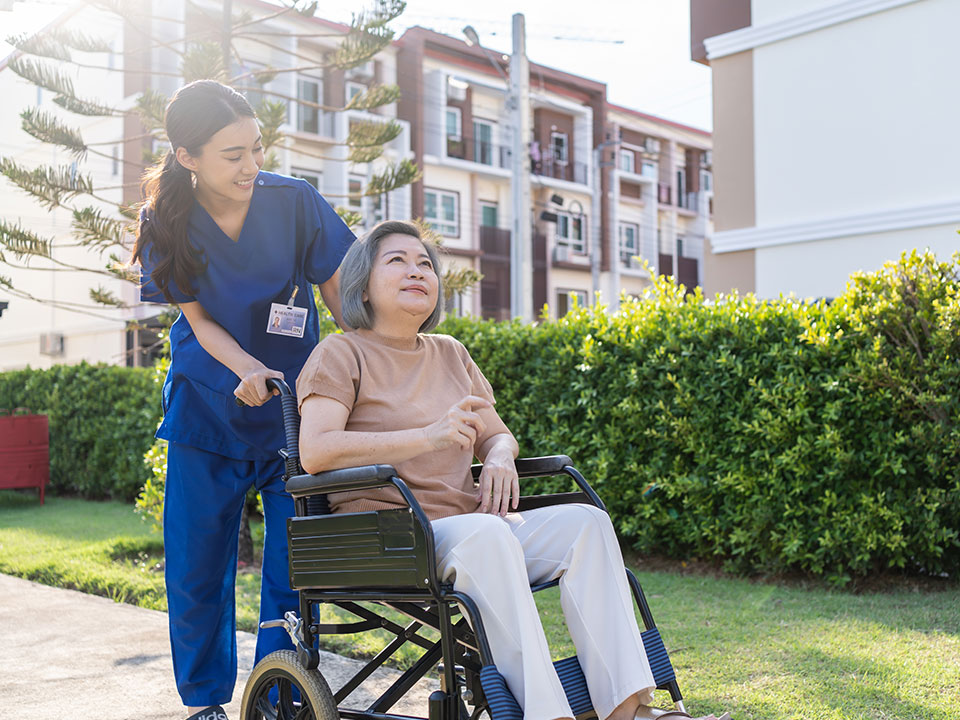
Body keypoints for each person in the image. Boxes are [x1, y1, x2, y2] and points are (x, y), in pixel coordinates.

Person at [295, 221, 730, 720]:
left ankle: (629, 709)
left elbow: (496, 434)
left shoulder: (451, 353)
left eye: (425, 265)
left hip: (469, 528)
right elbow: (317, 451)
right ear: (361, 283)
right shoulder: (340, 352)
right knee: (488, 536)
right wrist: (427, 437)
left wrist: (499, 456)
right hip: (391, 534)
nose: (417, 271)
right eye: (397, 261)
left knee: (585, 523)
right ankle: (547, 714)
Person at [131, 79, 354, 720]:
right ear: (187, 156)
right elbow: (200, 324)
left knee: (294, 574)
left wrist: (365, 375)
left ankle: (278, 696)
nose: (252, 166)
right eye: (233, 154)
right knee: (198, 572)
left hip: (297, 420)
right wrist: (250, 368)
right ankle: (204, 703)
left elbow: (344, 307)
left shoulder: (296, 203)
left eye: (257, 148)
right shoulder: (165, 222)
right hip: (208, 410)